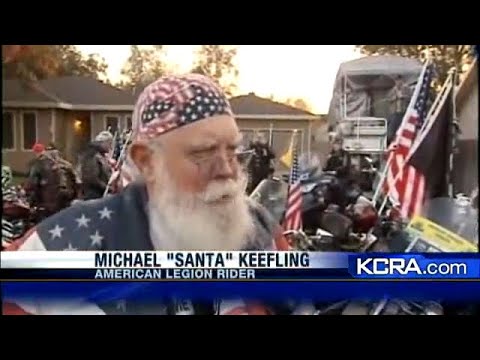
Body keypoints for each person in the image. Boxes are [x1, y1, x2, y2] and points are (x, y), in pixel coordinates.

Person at [3, 73, 290, 315]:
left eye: (233, 150)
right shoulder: (63, 247)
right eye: (203, 153)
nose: (227, 170)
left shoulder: (261, 233)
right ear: (147, 161)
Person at [78, 131, 114, 200]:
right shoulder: (92, 155)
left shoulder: (100, 155)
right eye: (109, 144)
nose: (110, 147)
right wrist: (106, 187)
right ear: (103, 143)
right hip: (93, 194)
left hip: (99, 193)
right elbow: (92, 178)